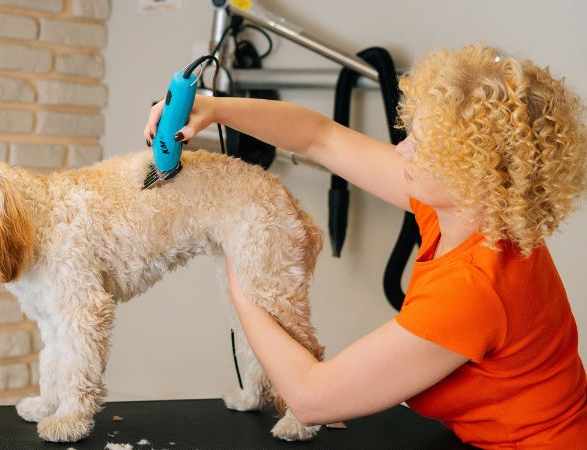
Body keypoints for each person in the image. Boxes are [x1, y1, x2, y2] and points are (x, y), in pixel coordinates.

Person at [143, 44, 587, 448]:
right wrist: (214, 109)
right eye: (411, 132)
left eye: (426, 146)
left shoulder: (473, 288)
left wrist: (240, 273)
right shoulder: (470, 214)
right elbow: (321, 137)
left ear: (476, 172)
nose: (405, 151)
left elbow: (312, 399)